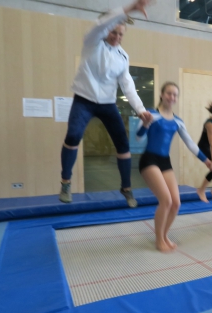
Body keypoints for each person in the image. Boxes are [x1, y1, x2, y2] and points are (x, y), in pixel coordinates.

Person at [59, 0, 153, 207]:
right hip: (84, 100)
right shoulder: (92, 41)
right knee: (73, 135)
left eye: (121, 35)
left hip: (107, 103)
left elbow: (127, 85)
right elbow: (100, 24)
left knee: (123, 144)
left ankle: (126, 188)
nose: (117, 38)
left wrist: (140, 110)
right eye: (114, 33)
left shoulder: (123, 56)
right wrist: (129, 8)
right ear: (107, 30)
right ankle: (66, 182)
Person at [137, 82, 212, 252]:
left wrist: (205, 160)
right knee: (166, 200)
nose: (172, 97)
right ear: (162, 95)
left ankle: (164, 235)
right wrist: (145, 123)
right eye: (169, 93)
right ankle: (158, 240)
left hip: (164, 161)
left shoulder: (178, 121)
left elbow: (190, 143)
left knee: (176, 203)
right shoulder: (152, 114)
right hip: (149, 160)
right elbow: (138, 138)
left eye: (175, 95)